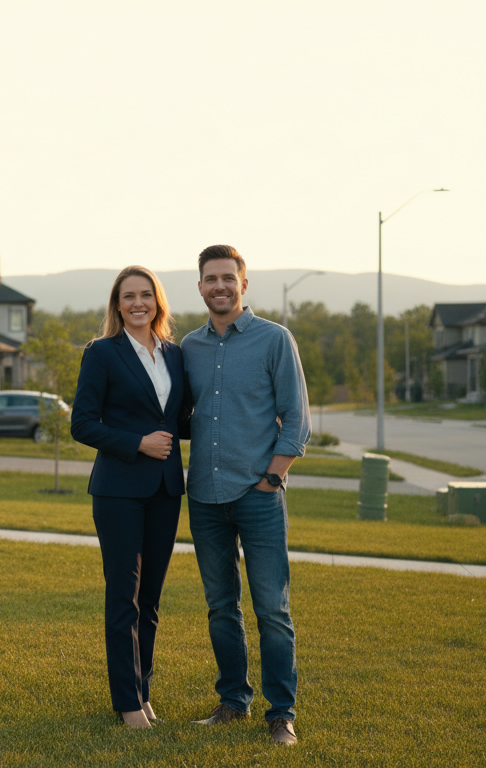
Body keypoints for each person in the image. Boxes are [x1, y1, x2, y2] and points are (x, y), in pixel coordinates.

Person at [181, 245, 310, 746]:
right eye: (211, 278)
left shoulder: (274, 339)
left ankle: (282, 715)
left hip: (258, 495)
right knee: (220, 606)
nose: (220, 286)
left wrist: (272, 478)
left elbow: (298, 419)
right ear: (200, 287)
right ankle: (233, 702)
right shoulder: (188, 347)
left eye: (228, 278)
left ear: (243, 284)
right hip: (205, 497)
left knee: (272, 609)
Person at [70, 265, 190, 729]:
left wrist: (247, 420)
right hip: (118, 490)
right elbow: (82, 423)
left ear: (158, 301)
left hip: (165, 490)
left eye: (146, 295)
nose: (137, 303)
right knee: (125, 596)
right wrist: (137, 443)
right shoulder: (101, 353)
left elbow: (180, 420)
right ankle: (126, 702)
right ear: (117, 305)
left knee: (152, 599)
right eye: (128, 296)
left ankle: (144, 691)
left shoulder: (175, 355)